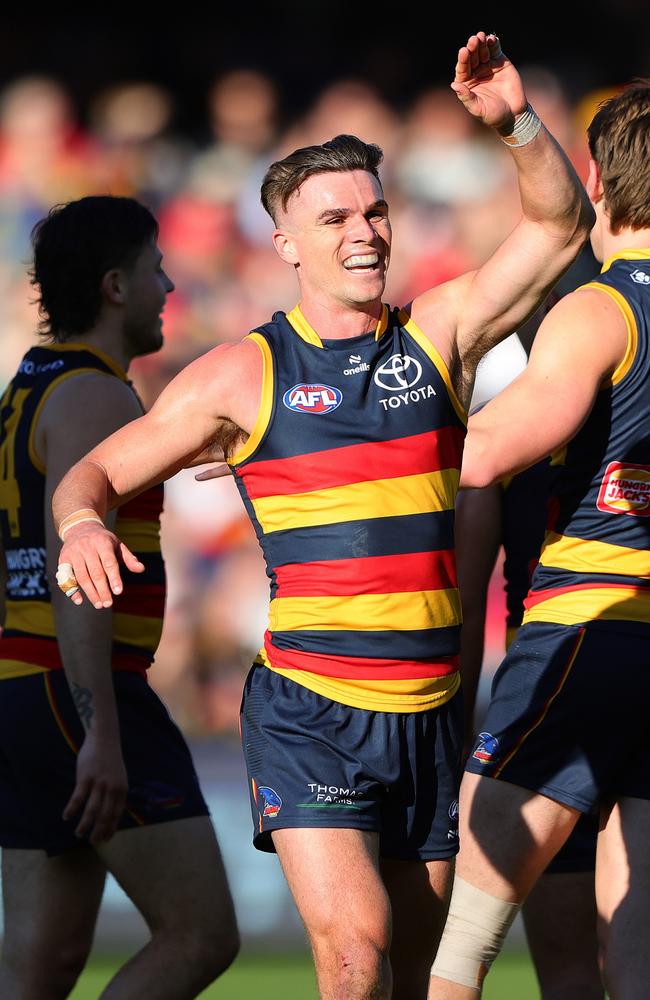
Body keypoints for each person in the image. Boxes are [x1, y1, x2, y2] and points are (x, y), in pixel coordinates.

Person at [51, 33, 592, 1000]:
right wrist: (86, 522)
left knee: (423, 976)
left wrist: (516, 123)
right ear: (285, 242)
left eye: (376, 211)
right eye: (334, 215)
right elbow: (89, 474)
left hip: (429, 714)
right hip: (311, 713)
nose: (365, 232)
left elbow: (557, 228)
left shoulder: (440, 333)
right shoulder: (241, 373)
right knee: (356, 955)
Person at [430, 80, 650, 999]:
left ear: (597, 177)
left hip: (587, 630)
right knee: (631, 955)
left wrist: (339, 438)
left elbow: (485, 454)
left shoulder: (599, 308)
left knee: (459, 952)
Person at [0, 196, 239, 1000]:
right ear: (114, 286)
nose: (169, 284)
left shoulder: (25, 393)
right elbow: (79, 568)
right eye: (154, 268)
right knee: (201, 934)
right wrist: (98, 726)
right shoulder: (96, 397)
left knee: (38, 969)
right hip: (82, 691)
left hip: (25, 688)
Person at [456, 319, 602, 1000]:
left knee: (478, 954)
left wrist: (450, 726)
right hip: (595, 684)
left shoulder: (492, 437)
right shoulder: (632, 412)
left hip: (546, 701)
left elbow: (463, 599)